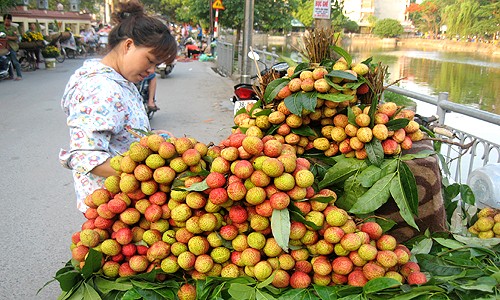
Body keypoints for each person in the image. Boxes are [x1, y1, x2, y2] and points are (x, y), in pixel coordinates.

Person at [58, 0, 177, 212]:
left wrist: (149, 137)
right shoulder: (100, 88)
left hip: (133, 201)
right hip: (113, 208)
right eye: (149, 60)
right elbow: (88, 158)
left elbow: (119, 130)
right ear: (128, 45)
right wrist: (149, 170)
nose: (151, 71)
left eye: (156, 66)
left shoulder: (121, 81)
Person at [0, 14, 22, 80]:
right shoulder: (1, 27)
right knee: (6, 61)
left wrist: (8, 37)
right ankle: (10, 75)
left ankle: (19, 75)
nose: (7, 22)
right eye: (6, 21)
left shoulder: (14, 28)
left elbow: (17, 37)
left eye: (9, 21)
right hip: (3, 46)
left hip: (12, 46)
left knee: (14, 61)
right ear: (4, 20)